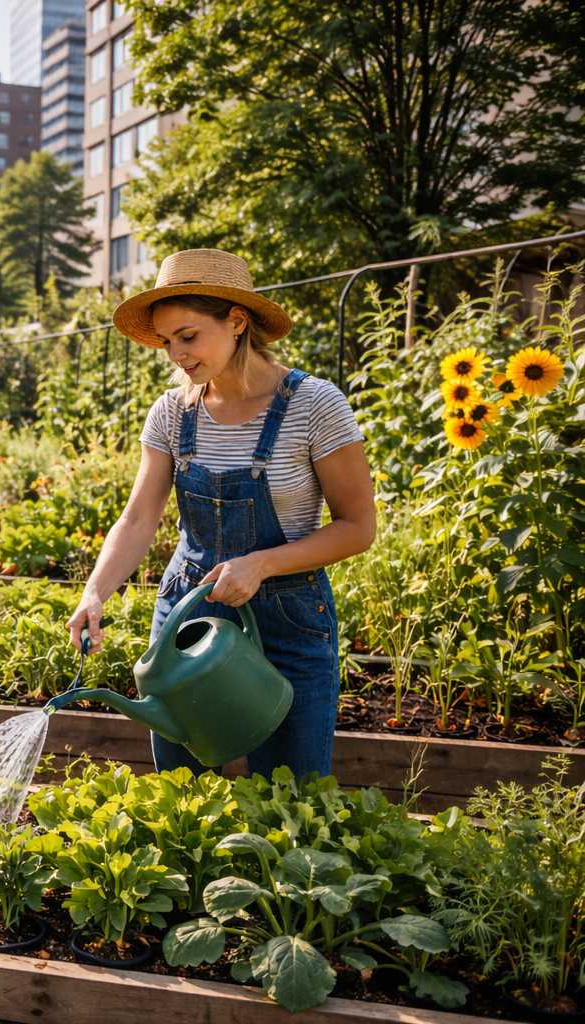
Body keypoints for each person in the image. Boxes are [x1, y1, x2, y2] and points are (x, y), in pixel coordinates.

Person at [66, 249, 376, 779]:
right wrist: (95, 591)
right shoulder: (172, 412)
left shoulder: (315, 407)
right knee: (184, 789)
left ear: (236, 321)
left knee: (291, 791)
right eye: (166, 342)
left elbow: (358, 528)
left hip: (288, 619)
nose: (175, 355)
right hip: (190, 616)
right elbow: (139, 519)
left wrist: (260, 564)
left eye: (187, 336)